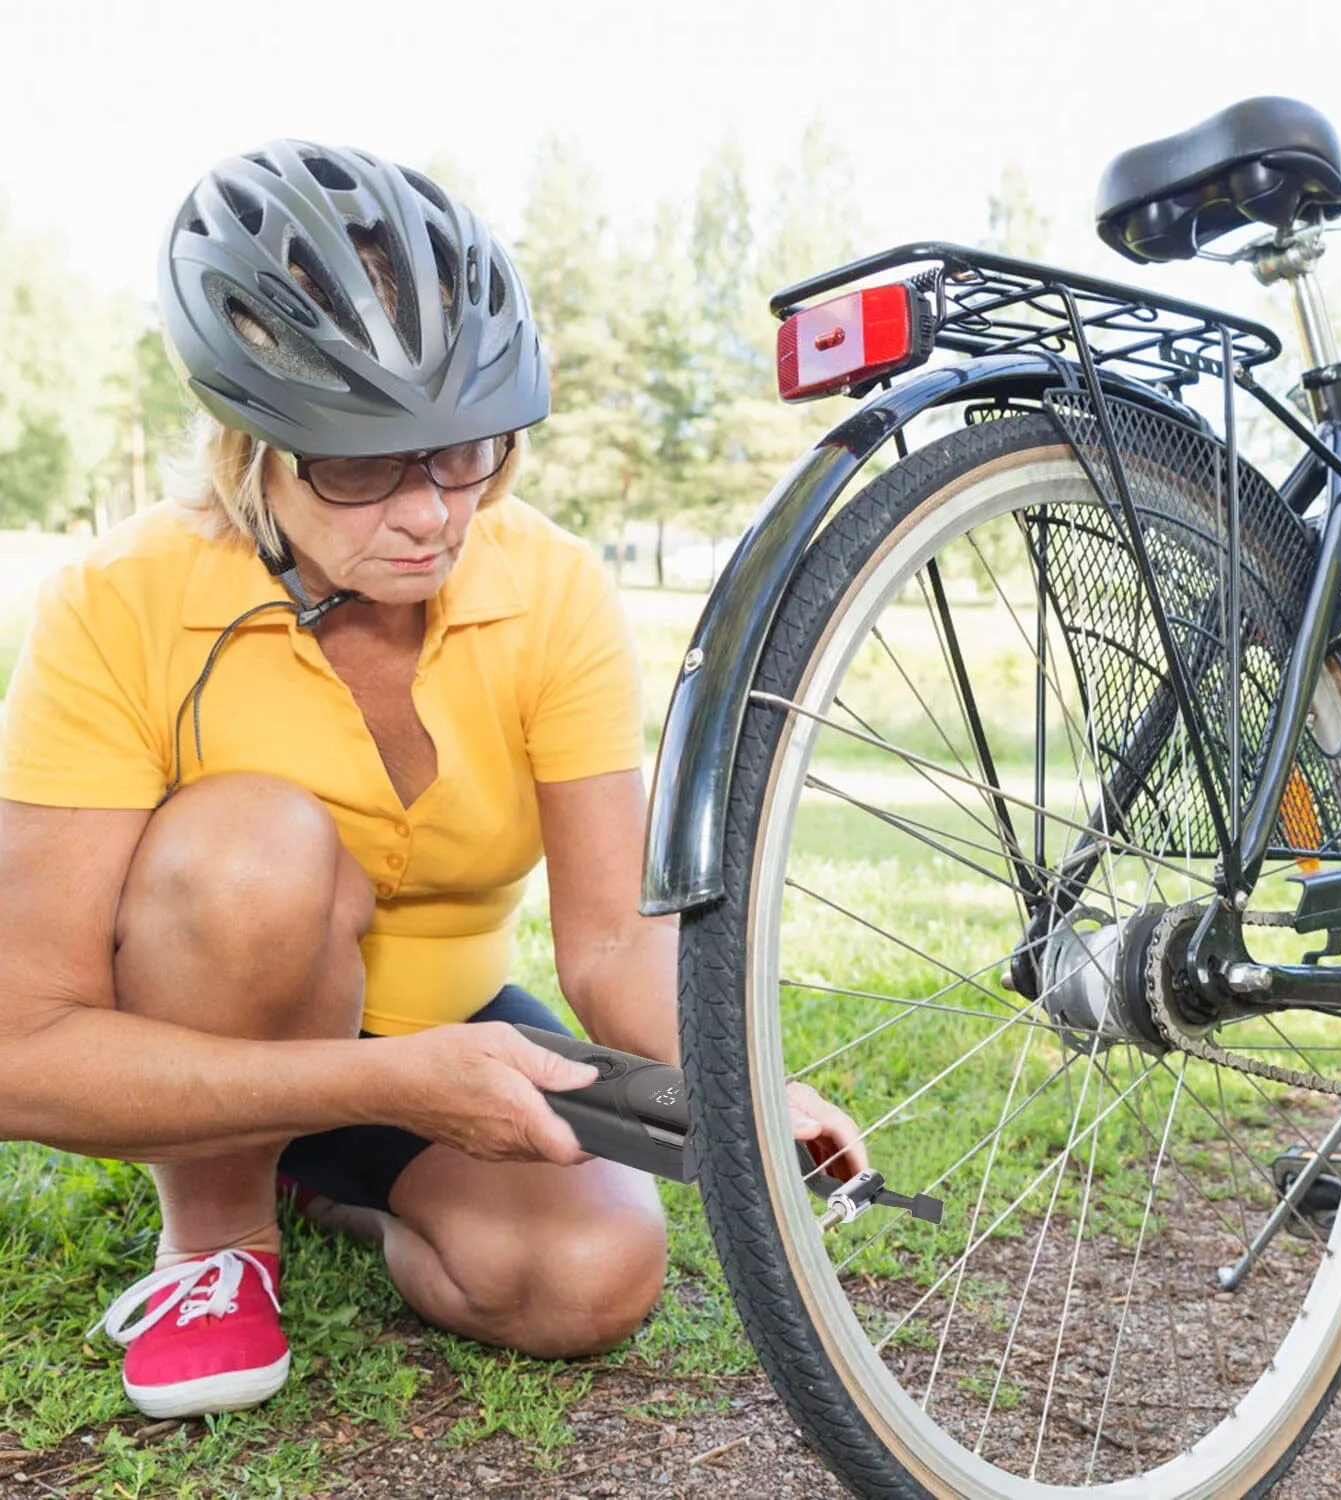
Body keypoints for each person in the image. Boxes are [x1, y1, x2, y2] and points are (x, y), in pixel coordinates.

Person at [0, 140, 863, 1422]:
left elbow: (615, 941)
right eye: (357, 465)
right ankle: (221, 1227)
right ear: (251, 446)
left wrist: (747, 1086)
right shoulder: (115, 600)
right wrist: (386, 1084)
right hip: (230, 1019)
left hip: (463, 1035)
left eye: (469, 452)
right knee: (254, 846)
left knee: (590, 1275)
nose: (431, 514)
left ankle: (319, 1168)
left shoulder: (554, 585)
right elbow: (23, 1050)